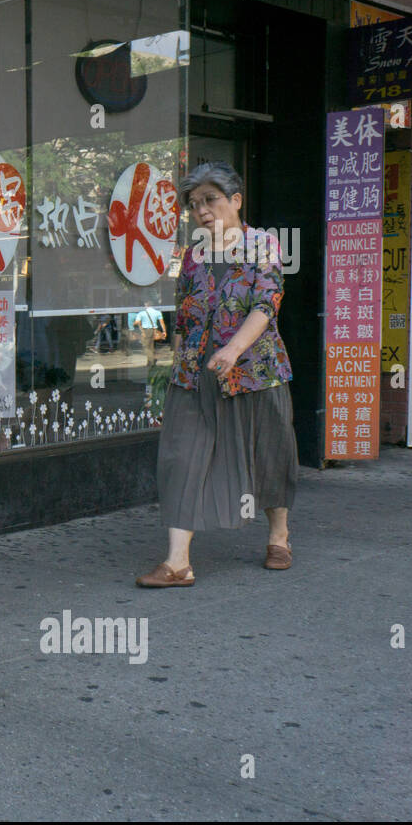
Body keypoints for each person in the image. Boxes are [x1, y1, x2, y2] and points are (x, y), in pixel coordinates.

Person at [137, 162, 298, 588]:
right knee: (180, 459)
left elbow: (267, 304)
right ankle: (177, 563)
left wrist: (232, 349)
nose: (202, 211)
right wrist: (172, 369)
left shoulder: (263, 244)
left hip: (255, 372)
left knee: (268, 456)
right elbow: (183, 316)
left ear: (236, 201)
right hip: (195, 375)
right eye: (193, 204)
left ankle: (278, 536)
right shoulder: (192, 257)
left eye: (210, 200)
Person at [130, 302, 165, 368]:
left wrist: (132, 324)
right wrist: (164, 331)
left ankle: (152, 360)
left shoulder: (142, 313)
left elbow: (137, 322)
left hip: (146, 331)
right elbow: (162, 323)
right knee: (151, 347)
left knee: (145, 346)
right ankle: (150, 363)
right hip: (154, 330)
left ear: (146, 305)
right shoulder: (157, 312)